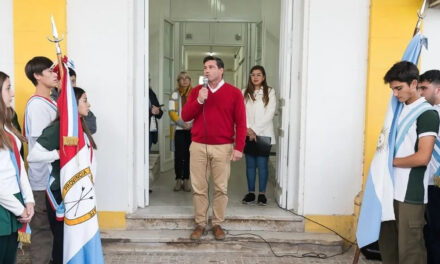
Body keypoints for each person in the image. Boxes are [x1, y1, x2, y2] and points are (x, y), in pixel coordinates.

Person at [27, 87, 97, 264]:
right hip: (62, 196)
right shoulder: (59, 127)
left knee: (77, 243)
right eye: (84, 100)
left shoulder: (80, 127)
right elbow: (32, 156)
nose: (88, 104)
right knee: (62, 246)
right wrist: (59, 154)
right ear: (72, 104)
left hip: (81, 194)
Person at [378, 61, 439, 264]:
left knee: (410, 251)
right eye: (393, 89)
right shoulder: (397, 111)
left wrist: (390, 161)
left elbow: (423, 157)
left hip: (410, 193)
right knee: (389, 247)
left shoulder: (427, 114)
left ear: (414, 84)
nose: (395, 94)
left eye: (399, 88)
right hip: (390, 188)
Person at [182, 56, 246, 241]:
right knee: (199, 188)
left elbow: (241, 123)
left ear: (221, 70)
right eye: (205, 67)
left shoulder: (234, 93)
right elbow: (185, 116)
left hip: (223, 147)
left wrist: (239, 147)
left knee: (220, 188)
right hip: (198, 146)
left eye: (211, 67)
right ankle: (200, 224)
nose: (206, 71)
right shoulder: (197, 92)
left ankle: (217, 223)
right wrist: (199, 101)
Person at [24, 56, 58, 264]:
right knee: (43, 233)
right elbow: (39, 148)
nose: (55, 74)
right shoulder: (37, 106)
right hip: (42, 181)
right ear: (37, 76)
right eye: (49, 71)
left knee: (53, 233)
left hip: (52, 179)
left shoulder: (51, 101)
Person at [0, 71, 34, 263]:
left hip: (14, 202)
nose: (12, 93)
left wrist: (28, 200)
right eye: (7, 88)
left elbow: (18, 165)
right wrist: (19, 209)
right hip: (4, 205)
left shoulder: (6, 126)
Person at [241, 66, 276, 205]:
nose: (255, 77)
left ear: (263, 77)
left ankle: (261, 194)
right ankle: (250, 193)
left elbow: (270, 113)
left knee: (262, 165)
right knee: (250, 165)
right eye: (253, 75)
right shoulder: (244, 92)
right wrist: (248, 129)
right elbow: (241, 112)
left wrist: (254, 129)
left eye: (258, 75)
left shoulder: (270, 91)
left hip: (264, 133)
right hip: (248, 133)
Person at [418, 69, 440, 264]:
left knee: (435, 235)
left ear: (438, 89)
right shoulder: (427, 113)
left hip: (437, 186)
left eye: (424, 88)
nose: (421, 93)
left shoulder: (433, 114)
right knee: (432, 232)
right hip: (431, 184)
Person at [50, 67, 97, 134]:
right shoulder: (51, 102)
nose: (71, 85)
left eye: (73, 81)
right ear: (57, 83)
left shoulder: (77, 98)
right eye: (67, 82)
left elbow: (92, 125)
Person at [169, 72, 193, 192]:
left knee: (189, 156)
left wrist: (190, 124)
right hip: (178, 130)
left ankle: (187, 180)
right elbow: (171, 112)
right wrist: (183, 124)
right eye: (181, 79)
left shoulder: (195, 93)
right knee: (179, 156)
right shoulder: (174, 94)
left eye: (186, 78)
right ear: (178, 81)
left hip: (192, 130)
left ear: (190, 80)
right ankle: (178, 179)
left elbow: (198, 111)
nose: (184, 80)